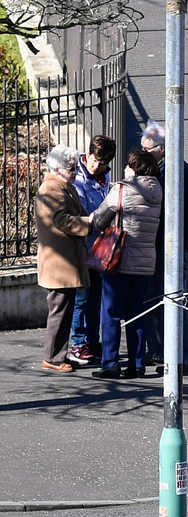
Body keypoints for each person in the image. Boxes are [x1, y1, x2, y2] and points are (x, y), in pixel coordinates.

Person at [90, 149, 163, 379]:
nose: (123, 168)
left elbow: (100, 220)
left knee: (110, 312)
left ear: (134, 167)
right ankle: (137, 364)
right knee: (137, 313)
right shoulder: (158, 190)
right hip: (145, 262)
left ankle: (110, 363)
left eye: (127, 165)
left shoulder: (122, 188)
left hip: (119, 261)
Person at [140, 120, 188, 372]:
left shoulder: (176, 173)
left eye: (148, 149)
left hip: (172, 244)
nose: (143, 154)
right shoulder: (160, 170)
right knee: (153, 296)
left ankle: (177, 357)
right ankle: (159, 351)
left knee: (173, 298)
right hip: (158, 243)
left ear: (162, 149)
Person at [35, 145, 91, 373]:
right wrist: (89, 223)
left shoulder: (63, 186)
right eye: (71, 168)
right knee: (60, 309)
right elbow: (61, 220)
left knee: (65, 309)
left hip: (65, 259)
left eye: (76, 167)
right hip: (59, 261)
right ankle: (53, 358)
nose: (76, 171)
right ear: (58, 169)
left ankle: (60, 354)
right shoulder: (52, 188)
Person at [67, 135, 116, 366]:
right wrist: (103, 214)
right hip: (84, 245)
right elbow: (85, 213)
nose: (96, 166)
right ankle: (78, 343)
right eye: (95, 160)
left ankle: (92, 341)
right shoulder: (78, 176)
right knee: (81, 298)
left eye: (102, 163)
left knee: (96, 298)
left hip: (100, 247)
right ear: (88, 154)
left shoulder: (103, 176)